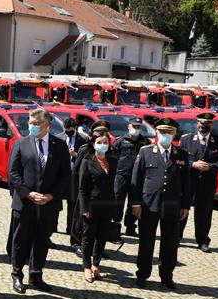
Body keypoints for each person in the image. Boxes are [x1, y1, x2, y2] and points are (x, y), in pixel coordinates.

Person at [7, 108, 70, 294]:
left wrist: (52, 195)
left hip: (48, 204)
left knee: (42, 240)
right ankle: (17, 274)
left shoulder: (59, 145)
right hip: (26, 202)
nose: (32, 126)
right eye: (30, 123)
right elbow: (13, 173)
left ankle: (36, 274)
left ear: (47, 125)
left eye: (37, 123)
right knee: (20, 240)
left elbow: (65, 175)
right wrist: (28, 193)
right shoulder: (21, 143)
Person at [130, 117, 190, 289]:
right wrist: (135, 203)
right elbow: (136, 179)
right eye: (162, 132)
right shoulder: (145, 151)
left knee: (170, 243)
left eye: (169, 132)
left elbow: (187, 183)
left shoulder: (181, 155)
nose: (165, 135)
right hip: (149, 205)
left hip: (172, 206)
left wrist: (185, 205)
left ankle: (167, 275)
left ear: (175, 134)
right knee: (146, 242)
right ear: (156, 132)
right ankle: (142, 274)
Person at [178, 112, 218, 253]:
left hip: (208, 183)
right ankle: (176, 236)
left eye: (207, 124)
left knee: (204, 213)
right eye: (201, 123)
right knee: (182, 209)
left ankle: (202, 241)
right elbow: (178, 159)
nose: (203, 126)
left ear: (211, 124)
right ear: (197, 123)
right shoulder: (186, 139)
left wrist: (211, 166)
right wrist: (192, 164)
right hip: (188, 181)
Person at [78, 129, 119, 283]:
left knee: (102, 237)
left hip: (107, 205)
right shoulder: (87, 161)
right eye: (99, 142)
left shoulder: (113, 161)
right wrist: (84, 209)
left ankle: (96, 264)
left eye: (105, 142)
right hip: (92, 205)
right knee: (88, 237)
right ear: (93, 144)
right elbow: (82, 188)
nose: (102, 145)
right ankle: (87, 266)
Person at [112, 118, 150, 238]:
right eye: (134, 126)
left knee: (135, 201)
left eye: (138, 127)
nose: (136, 129)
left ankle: (130, 227)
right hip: (121, 176)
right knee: (118, 201)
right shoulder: (120, 141)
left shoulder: (145, 142)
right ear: (129, 126)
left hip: (138, 178)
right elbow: (112, 159)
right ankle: (115, 227)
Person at [57, 117, 87, 236]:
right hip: (61, 176)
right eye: (65, 130)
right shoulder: (59, 137)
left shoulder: (83, 139)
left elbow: (86, 156)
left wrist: (74, 154)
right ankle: (53, 227)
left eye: (69, 130)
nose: (67, 132)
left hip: (74, 176)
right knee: (56, 204)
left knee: (72, 204)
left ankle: (70, 228)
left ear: (74, 128)